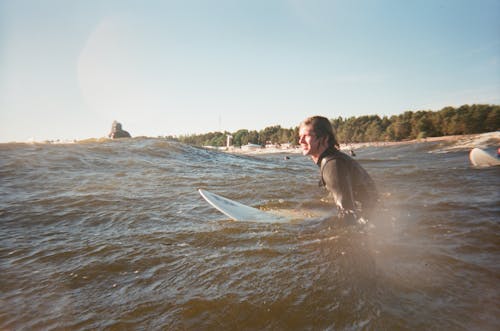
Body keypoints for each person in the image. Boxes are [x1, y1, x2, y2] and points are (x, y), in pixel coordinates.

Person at [299, 116, 378, 224]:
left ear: (325, 138)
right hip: (374, 215)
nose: (300, 141)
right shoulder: (334, 159)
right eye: (300, 136)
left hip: (370, 219)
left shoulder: (332, 165)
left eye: (307, 136)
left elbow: (347, 212)